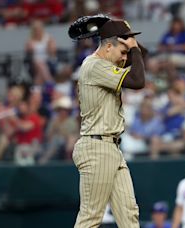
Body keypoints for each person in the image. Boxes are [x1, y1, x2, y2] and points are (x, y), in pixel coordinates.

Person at [71, 18, 146, 227]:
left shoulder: (106, 62)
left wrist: (130, 41)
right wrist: (134, 48)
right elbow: (138, 81)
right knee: (91, 217)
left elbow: (140, 63)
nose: (125, 57)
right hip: (97, 146)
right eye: (122, 51)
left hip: (111, 148)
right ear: (109, 46)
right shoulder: (94, 65)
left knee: (129, 215)